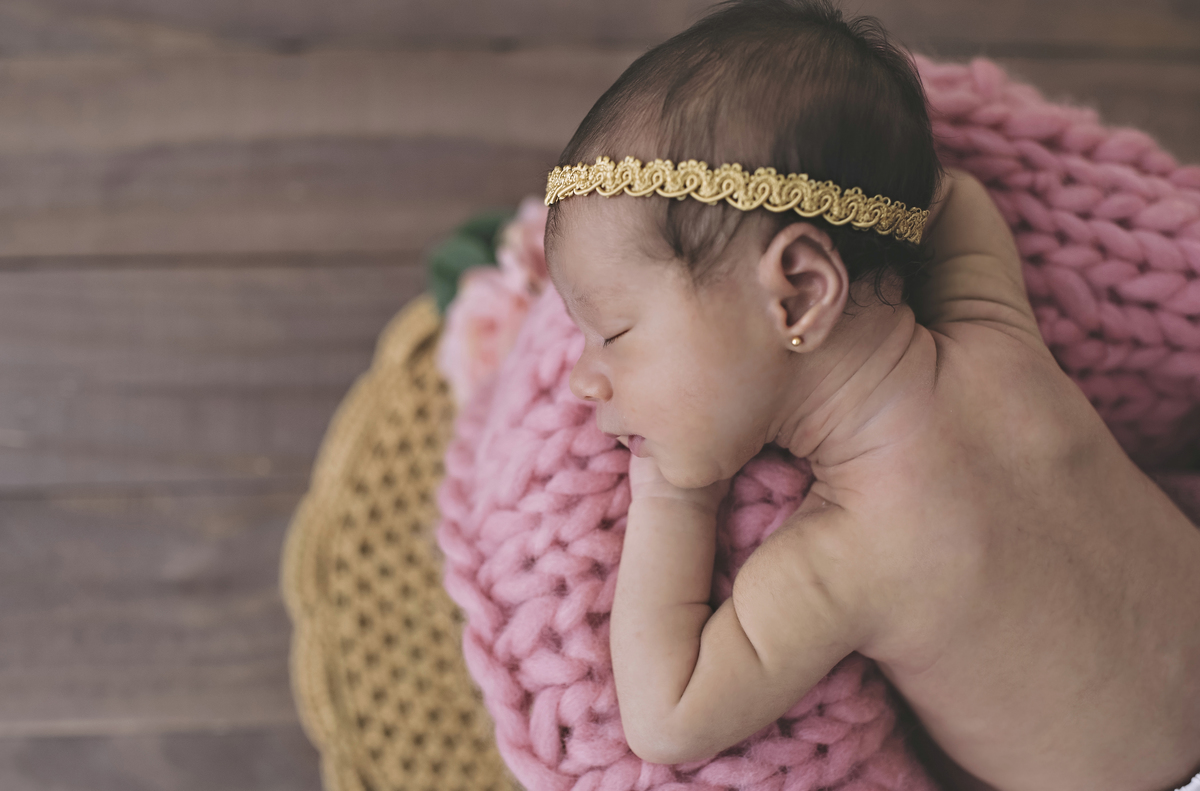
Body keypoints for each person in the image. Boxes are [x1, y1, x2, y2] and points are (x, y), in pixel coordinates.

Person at [540, 1, 1200, 789]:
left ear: (798, 291)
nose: (583, 378)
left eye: (613, 331)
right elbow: (960, 200)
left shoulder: (840, 563)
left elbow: (665, 718)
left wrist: (673, 496)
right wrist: (869, 183)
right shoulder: (996, 336)